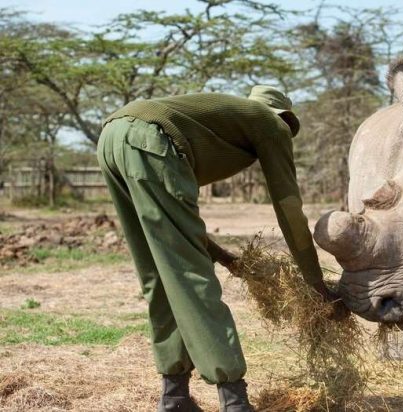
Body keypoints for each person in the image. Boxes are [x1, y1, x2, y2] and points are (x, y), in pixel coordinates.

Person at [96, 86, 346, 412]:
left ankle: (175, 397)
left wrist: (226, 258)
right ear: (284, 118)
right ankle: (235, 400)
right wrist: (315, 285)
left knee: (159, 274)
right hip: (149, 139)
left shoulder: (220, 121)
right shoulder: (271, 124)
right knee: (190, 277)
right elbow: (288, 207)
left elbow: (179, 226)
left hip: (111, 137)